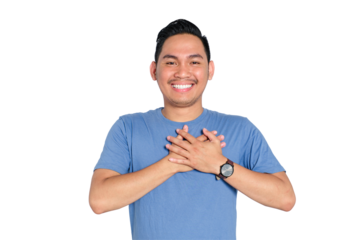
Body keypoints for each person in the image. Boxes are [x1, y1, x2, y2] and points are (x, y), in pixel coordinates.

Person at [88, 17, 296, 239]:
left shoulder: (241, 127)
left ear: (210, 70)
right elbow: (99, 202)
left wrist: (219, 164)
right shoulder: (127, 127)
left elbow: (285, 199)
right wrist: (173, 162)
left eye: (194, 62)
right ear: (153, 70)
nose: (182, 72)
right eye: (171, 62)